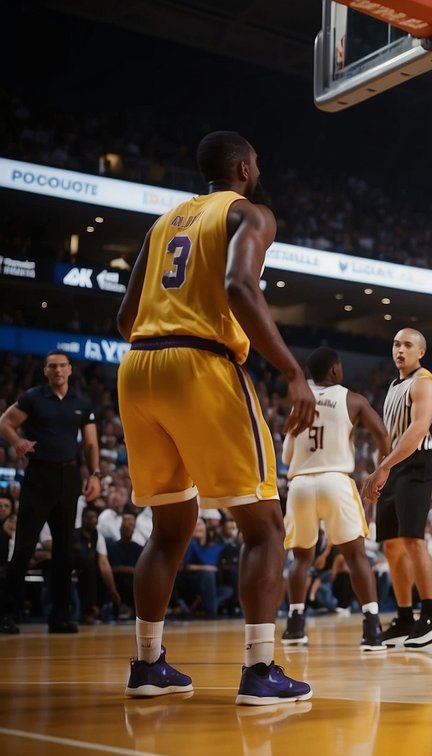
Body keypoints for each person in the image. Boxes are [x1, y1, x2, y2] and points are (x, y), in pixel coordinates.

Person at [114, 130, 315, 704]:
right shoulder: (249, 213)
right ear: (244, 168)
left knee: (169, 528)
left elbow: (125, 318)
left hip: (139, 367)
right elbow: (238, 285)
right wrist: (292, 371)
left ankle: (148, 665)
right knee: (265, 526)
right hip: (200, 364)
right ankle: (260, 671)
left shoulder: (163, 223)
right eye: (256, 162)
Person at [280, 347, 393, 651]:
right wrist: (380, 469)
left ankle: (294, 626)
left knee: (301, 560)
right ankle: (371, 630)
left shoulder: (299, 403)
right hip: (336, 480)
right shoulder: (352, 399)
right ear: (335, 371)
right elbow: (382, 434)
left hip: (300, 484)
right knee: (356, 556)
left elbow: (287, 455)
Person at [360, 328, 432, 649]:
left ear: (420, 352)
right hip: (392, 465)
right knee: (391, 546)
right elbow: (389, 434)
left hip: (415, 462)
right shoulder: (394, 384)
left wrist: (383, 468)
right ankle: (404, 616)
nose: (400, 350)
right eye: (396, 343)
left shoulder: (424, 382)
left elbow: (418, 429)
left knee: (413, 539)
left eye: (408, 345)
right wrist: (379, 469)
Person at [0, 351, 103, 634]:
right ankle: (8, 614)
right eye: (52, 366)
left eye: (62, 366)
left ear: (70, 370)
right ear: (45, 371)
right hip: (39, 476)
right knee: (23, 547)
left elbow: (91, 444)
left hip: (69, 477)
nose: (58, 370)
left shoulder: (82, 402)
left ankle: (59, 616)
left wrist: (95, 476)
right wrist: (17, 442)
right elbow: (4, 423)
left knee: (64, 551)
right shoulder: (33, 397)